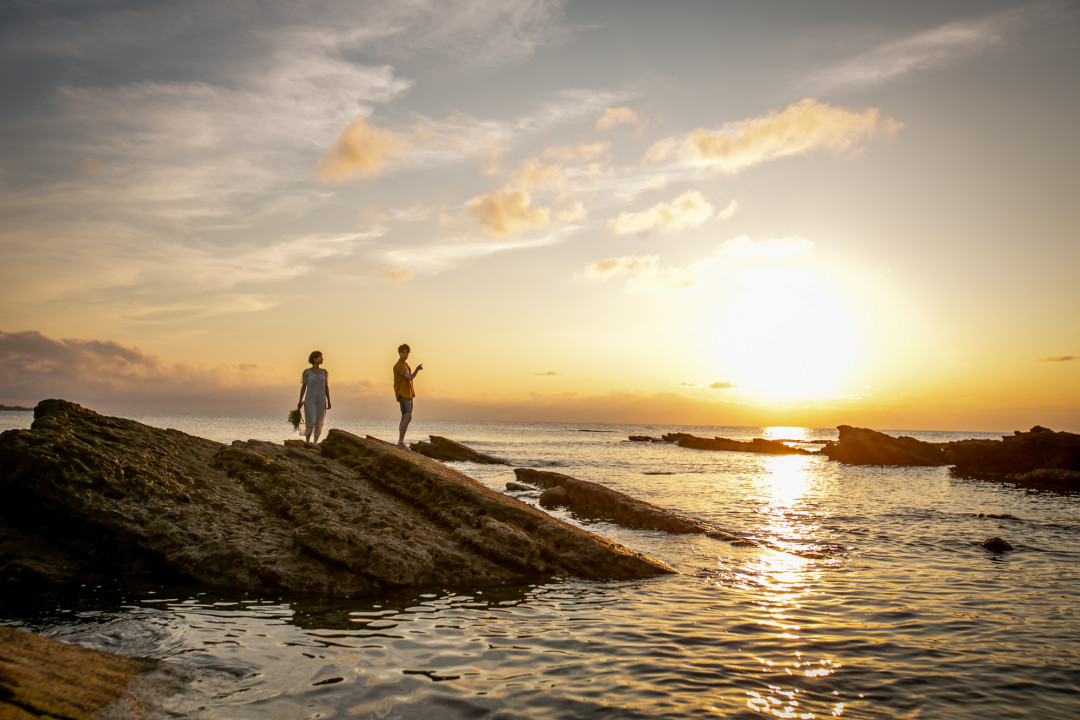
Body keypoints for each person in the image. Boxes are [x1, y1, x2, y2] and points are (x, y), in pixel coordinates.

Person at [297, 350, 331, 445]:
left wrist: (329, 400)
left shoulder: (324, 372)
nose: (322, 359)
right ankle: (307, 442)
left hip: (321, 399)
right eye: (320, 357)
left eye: (322, 357)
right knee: (311, 421)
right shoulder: (307, 372)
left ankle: (315, 443)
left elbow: (326, 386)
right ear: (314, 359)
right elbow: (303, 386)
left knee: (319, 422)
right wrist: (300, 401)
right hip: (309, 399)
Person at [393, 343, 422, 446]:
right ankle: (401, 441)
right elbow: (409, 377)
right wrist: (417, 370)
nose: (406, 355)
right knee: (408, 417)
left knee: (404, 417)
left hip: (408, 394)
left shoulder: (406, 365)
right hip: (402, 393)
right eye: (404, 353)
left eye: (407, 353)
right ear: (399, 353)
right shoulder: (399, 365)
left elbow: (410, 379)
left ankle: (400, 440)